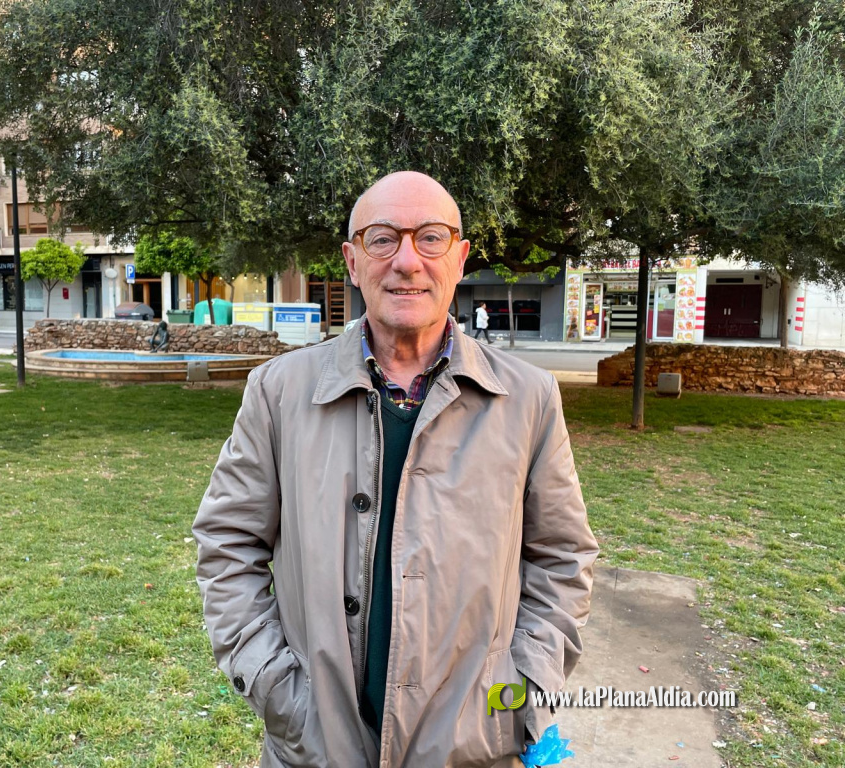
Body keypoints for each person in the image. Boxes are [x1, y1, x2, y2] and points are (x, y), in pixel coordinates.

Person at [194, 171, 598, 767]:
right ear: (352, 261)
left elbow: (562, 558)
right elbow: (227, 545)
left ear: (459, 258)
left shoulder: (529, 399)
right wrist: (283, 695)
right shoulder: (278, 392)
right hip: (317, 747)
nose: (407, 262)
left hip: (474, 749)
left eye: (431, 238)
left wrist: (519, 696)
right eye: (382, 239)